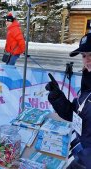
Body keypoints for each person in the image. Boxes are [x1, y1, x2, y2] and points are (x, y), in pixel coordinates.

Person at [45, 33, 91, 169]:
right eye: (84, 56)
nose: (87, 60)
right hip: (81, 153)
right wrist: (56, 95)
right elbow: (74, 115)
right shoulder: (87, 82)